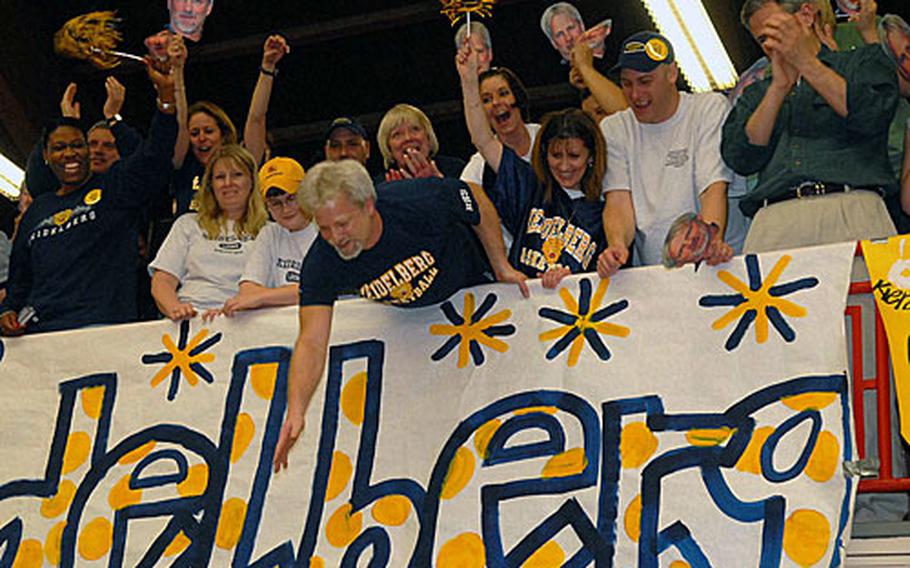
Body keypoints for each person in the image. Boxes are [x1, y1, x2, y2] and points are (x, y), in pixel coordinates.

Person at [272, 159, 528, 470]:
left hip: (474, 287)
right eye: (324, 228)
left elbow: (474, 196)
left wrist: (501, 265)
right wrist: (296, 410)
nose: (335, 237)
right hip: (421, 323)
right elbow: (311, 341)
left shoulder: (415, 202)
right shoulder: (324, 260)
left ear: (368, 206)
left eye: (342, 224)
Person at [0, 38, 184, 335]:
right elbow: (21, 274)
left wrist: (165, 95)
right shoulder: (39, 210)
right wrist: (7, 309)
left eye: (77, 145)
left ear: (87, 151)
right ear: (46, 156)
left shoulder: (115, 188)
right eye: (59, 148)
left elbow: (155, 156)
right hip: (40, 336)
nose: (70, 153)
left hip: (102, 330)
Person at [722, 0, 899, 253]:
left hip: (853, 208)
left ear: (806, 14)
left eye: (778, 31)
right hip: (775, 220)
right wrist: (778, 88)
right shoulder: (757, 94)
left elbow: (872, 115)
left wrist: (806, 63)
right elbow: (740, 157)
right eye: (763, 40)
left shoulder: (861, 62)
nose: (772, 45)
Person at [458, 45, 608, 288]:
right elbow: (483, 140)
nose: (564, 166)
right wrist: (468, 82)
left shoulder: (606, 213)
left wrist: (572, 280)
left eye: (574, 155)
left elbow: (613, 277)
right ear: (543, 154)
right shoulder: (531, 189)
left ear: (591, 156)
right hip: (523, 312)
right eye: (556, 155)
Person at [596, 32, 735, 277]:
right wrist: (617, 245)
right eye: (627, 84)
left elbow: (713, 188)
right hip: (653, 277)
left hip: (715, 268)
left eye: (645, 82)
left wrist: (709, 241)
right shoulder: (614, 128)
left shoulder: (708, 109)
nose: (635, 95)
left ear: (672, 74)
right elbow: (617, 201)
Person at [172, 35, 287, 215]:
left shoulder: (241, 164)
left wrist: (268, 67)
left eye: (209, 131)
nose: (201, 138)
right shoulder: (184, 167)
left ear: (223, 134)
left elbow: (256, 118)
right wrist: (177, 70)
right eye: (194, 133)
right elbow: (178, 123)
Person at [150, 145, 268, 320]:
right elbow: (162, 281)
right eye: (220, 177)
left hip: (246, 322)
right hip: (190, 320)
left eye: (237, 175)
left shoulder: (270, 231)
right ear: (211, 185)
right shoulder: (187, 224)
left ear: (252, 181)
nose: (228, 183)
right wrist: (175, 308)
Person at [221, 157, 317, 315]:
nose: (286, 209)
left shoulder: (327, 227)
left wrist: (262, 297)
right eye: (276, 203)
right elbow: (247, 291)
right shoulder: (270, 233)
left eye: (291, 198)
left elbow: (320, 289)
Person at [375, 104, 465, 183]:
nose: (408, 138)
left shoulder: (456, 170)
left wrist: (440, 184)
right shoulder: (380, 185)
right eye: (397, 134)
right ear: (388, 147)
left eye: (415, 129)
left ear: (428, 136)